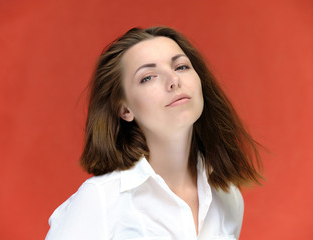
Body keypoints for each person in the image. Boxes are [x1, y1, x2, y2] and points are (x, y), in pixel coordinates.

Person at [45, 26, 262, 240]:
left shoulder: (228, 197)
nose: (173, 80)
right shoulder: (99, 200)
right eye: (148, 77)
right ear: (125, 109)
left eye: (181, 67)